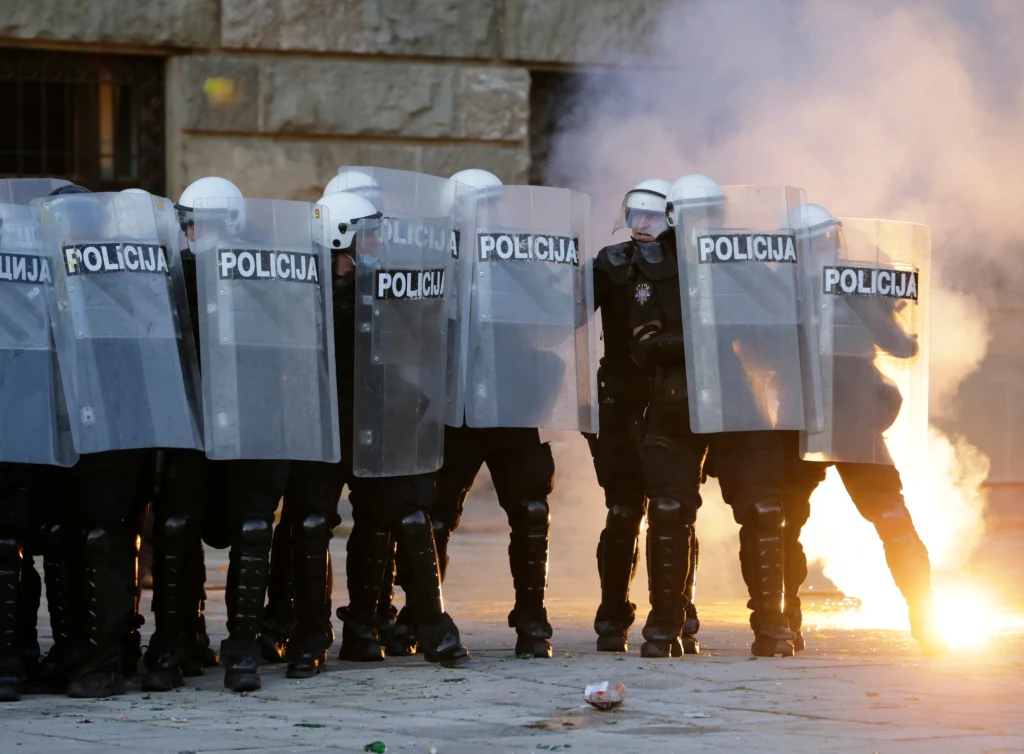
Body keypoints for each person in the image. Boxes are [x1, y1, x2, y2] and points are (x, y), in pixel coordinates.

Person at [629, 174, 797, 658]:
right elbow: (644, 344)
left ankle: (773, 627)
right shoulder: (653, 264)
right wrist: (707, 335)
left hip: (739, 397)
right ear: (676, 216)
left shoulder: (746, 262)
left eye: (712, 213)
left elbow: (778, 325)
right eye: (695, 214)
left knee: (765, 510)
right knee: (666, 510)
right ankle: (665, 626)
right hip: (676, 398)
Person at [143, 177, 290, 693]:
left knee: (253, 528)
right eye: (191, 225)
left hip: (248, 423)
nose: (196, 234)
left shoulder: (266, 276)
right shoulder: (167, 278)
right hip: (189, 424)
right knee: (176, 527)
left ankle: (243, 645)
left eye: (206, 225)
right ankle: (174, 639)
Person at [779, 204, 945, 655]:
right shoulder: (805, 285)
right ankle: (782, 624)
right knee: (784, 523)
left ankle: (926, 619)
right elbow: (901, 345)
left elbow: (901, 345)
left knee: (886, 518)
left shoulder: (799, 286)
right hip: (825, 417)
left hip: (826, 416)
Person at [587, 179, 701, 654]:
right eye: (633, 215)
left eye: (650, 217)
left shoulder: (695, 265)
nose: (639, 225)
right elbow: (568, 314)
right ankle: (612, 616)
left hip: (674, 402)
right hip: (621, 400)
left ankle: (673, 613)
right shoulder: (609, 263)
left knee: (675, 510)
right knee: (623, 509)